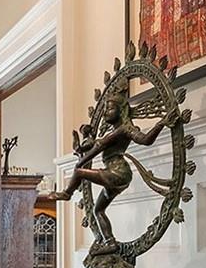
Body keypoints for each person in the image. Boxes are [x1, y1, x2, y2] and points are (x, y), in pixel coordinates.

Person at [49, 78, 179, 254]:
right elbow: (90, 146)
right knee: (98, 209)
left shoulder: (125, 129)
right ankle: (110, 242)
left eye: (109, 109)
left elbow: (145, 140)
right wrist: (83, 142)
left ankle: (66, 193)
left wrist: (161, 123)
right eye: (105, 109)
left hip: (117, 172)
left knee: (79, 171)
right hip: (117, 175)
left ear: (121, 110)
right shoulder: (115, 131)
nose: (105, 113)